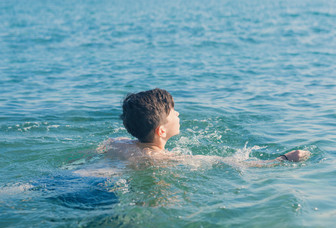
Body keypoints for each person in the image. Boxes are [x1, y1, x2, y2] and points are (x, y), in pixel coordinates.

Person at [100, 88, 310, 167]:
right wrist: (282, 159)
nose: (178, 114)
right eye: (173, 112)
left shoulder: (117, 144)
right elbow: (231, 163)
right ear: (161, 131)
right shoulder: (165, 159)